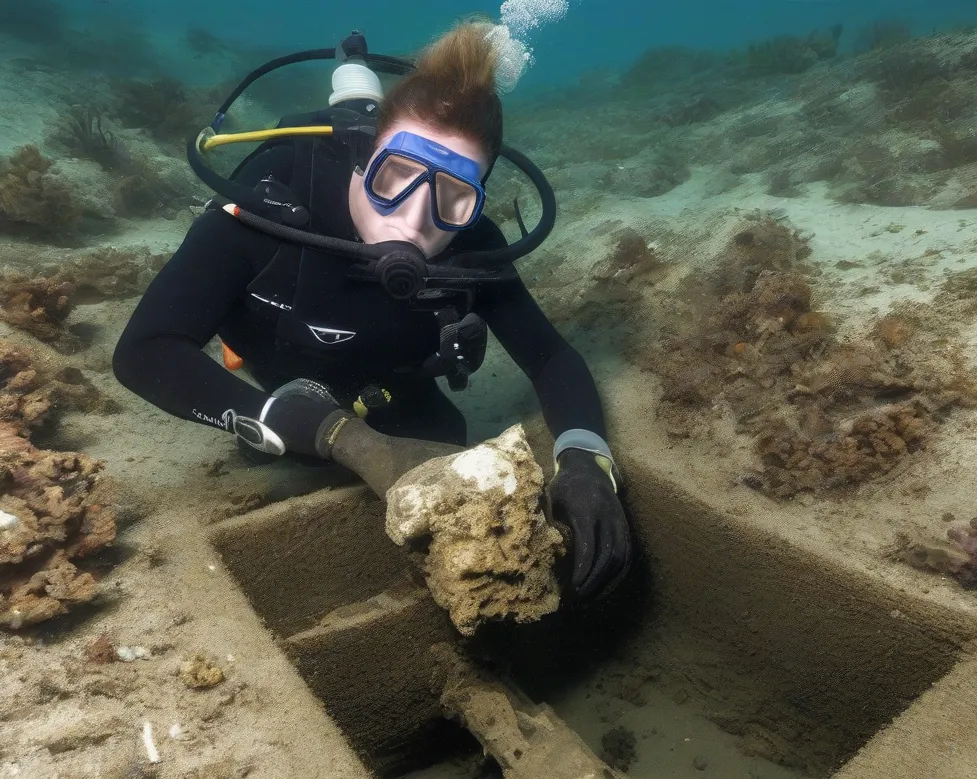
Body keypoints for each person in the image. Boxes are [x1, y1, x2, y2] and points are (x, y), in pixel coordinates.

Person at [112, 21, 631, 601]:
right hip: (275, 367)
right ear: (364, 155)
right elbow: (145, 351)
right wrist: (345, 441)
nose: (413, 219)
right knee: (293, 457)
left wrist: (585, 459)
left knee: (442, 432)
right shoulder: (272, 202)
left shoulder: (473, 246)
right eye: (396, 177)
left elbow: (552, 358)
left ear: (476, 198)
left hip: (387, 385)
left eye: (453, 198)